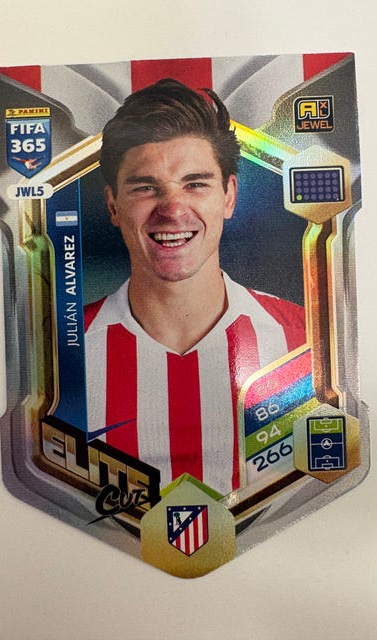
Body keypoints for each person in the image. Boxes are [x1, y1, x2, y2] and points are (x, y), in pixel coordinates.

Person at [84, 79, 306, 496]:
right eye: (145, 187)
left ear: (229, 196)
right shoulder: (61, 353)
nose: (172, 209)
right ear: (113, 204)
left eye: (195, 184)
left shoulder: (305, 341)